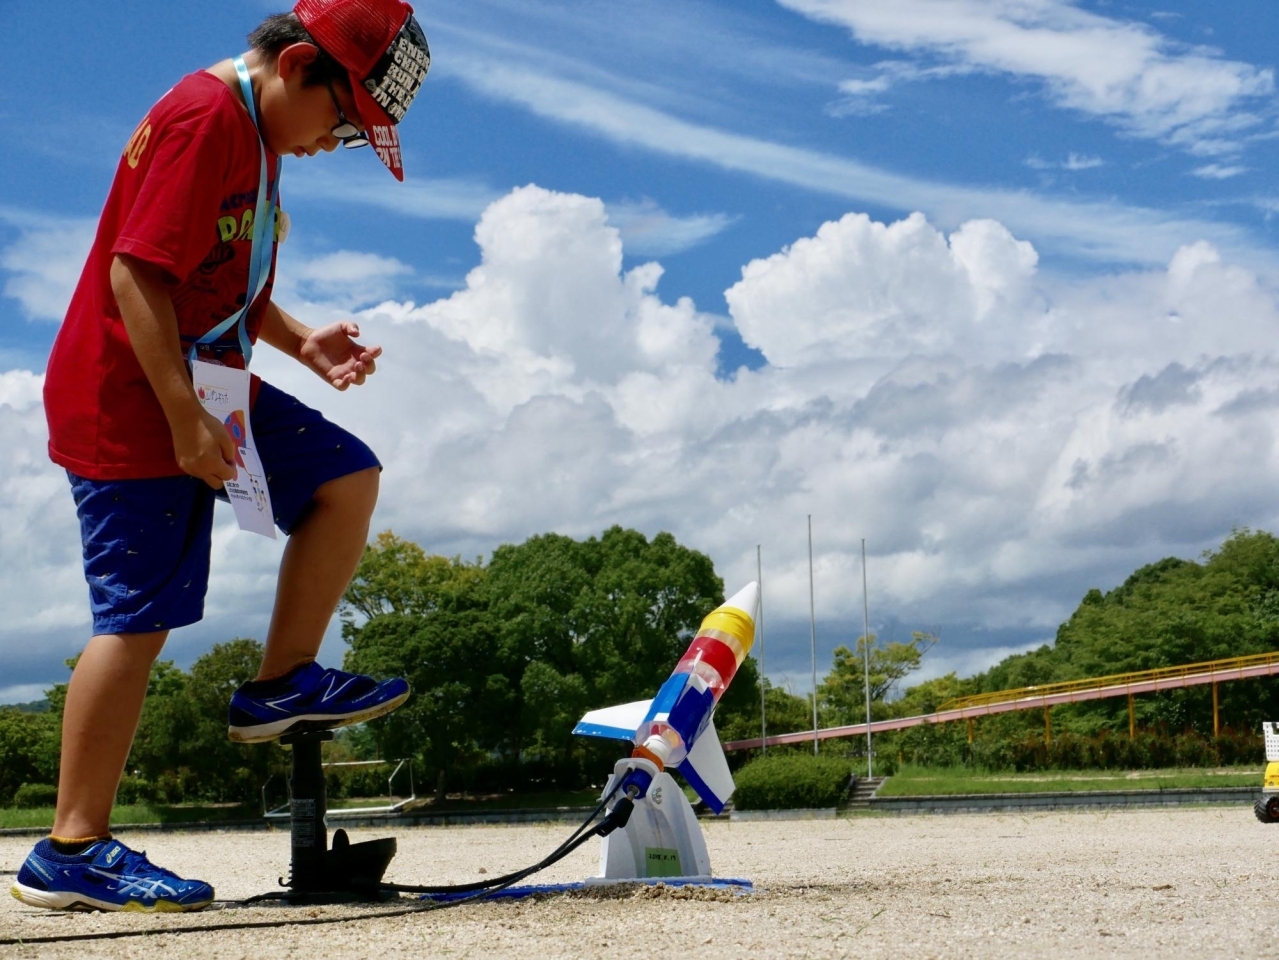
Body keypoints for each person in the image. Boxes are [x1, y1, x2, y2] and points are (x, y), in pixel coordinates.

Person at [11, 0, 431, 913]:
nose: (339, 141)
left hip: (202, 379)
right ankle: (69, 847)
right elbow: (138, 273)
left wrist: (299, 340)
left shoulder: (259, 137)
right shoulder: (207, 118)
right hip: (130, 396)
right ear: (295, 70)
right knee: (138, 613)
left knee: (343, 476)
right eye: (344, 118)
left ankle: (280, 683)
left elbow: (217, 276)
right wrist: (182, 422)